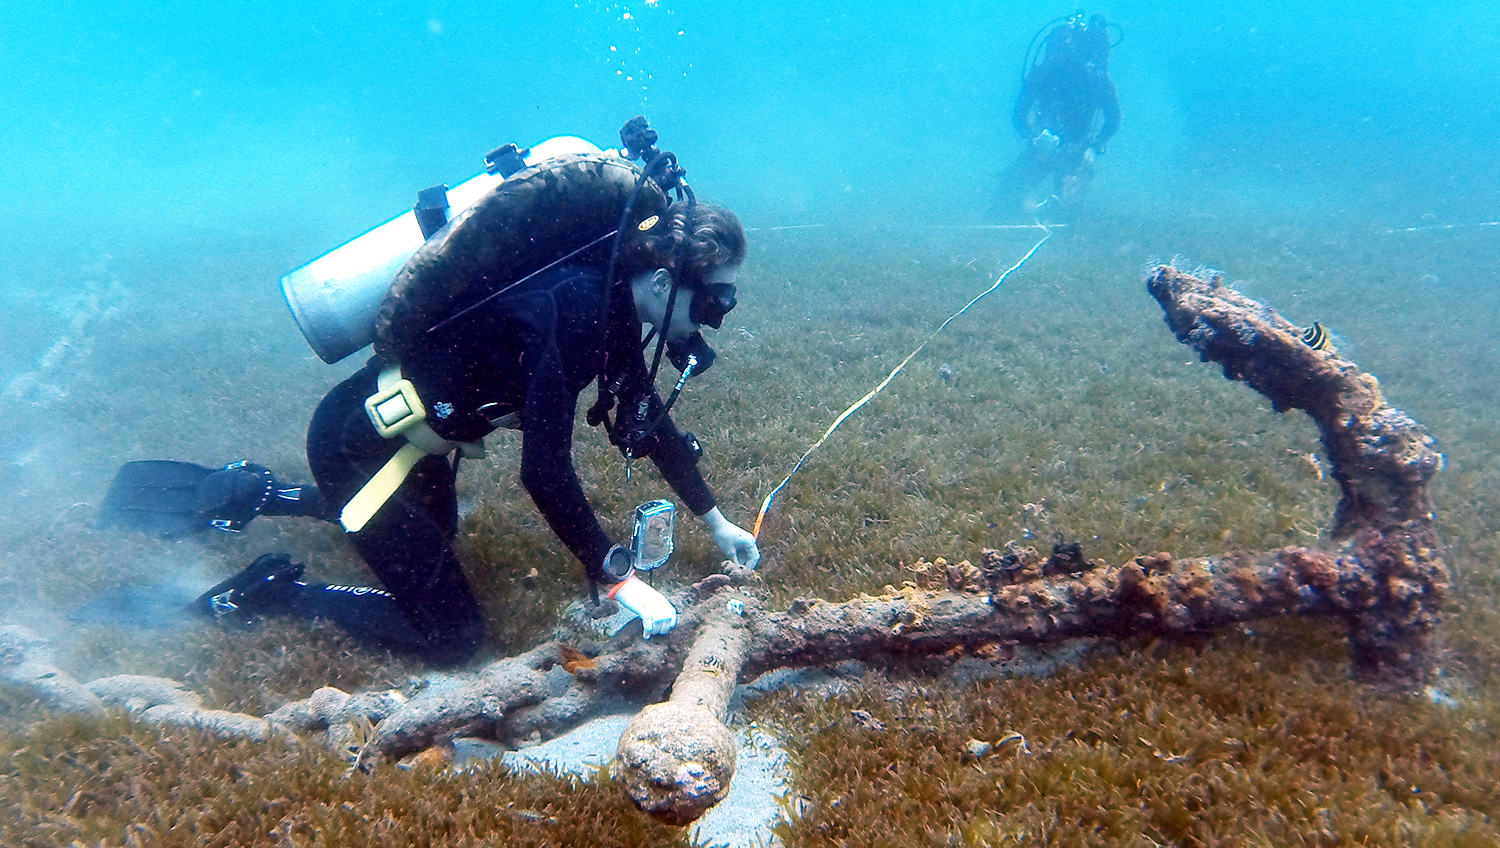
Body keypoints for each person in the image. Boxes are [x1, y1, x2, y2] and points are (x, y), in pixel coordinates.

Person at [100, 119, 761, 666]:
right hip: (353, 447)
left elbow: (645, 417)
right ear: (668, 276)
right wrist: (613, 571)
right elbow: (544, 471)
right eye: (716, 300)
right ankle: (273, 592)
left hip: (407, 444)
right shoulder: (577, 307)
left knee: (436, 534)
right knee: (453, 639)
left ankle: (269, 494)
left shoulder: (615, 305)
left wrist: (714, 519)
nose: (716, 317)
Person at [999, 11, 1121, 220]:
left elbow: (1114, 118)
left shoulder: (1089, 77)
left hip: (1073, 148)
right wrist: (1036, 139)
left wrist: (1091, 143)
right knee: (1010, 195)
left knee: (1064, 208)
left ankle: (1063, 222)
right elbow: (1114, 118)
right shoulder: (1056, 75)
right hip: (1050, 146)